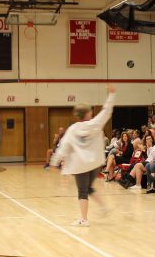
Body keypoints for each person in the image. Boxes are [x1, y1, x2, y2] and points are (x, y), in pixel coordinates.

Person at [49, 86, 116, 226]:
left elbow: (63, 147)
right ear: (88, 113)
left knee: (83, 191)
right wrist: (111, 94)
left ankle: (84, 219)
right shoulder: (95, 124)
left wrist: (54, 162)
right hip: (96, 164)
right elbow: (107, 111)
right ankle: (104, 207)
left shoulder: (72, 130)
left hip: (81, 166)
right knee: (89, 187)